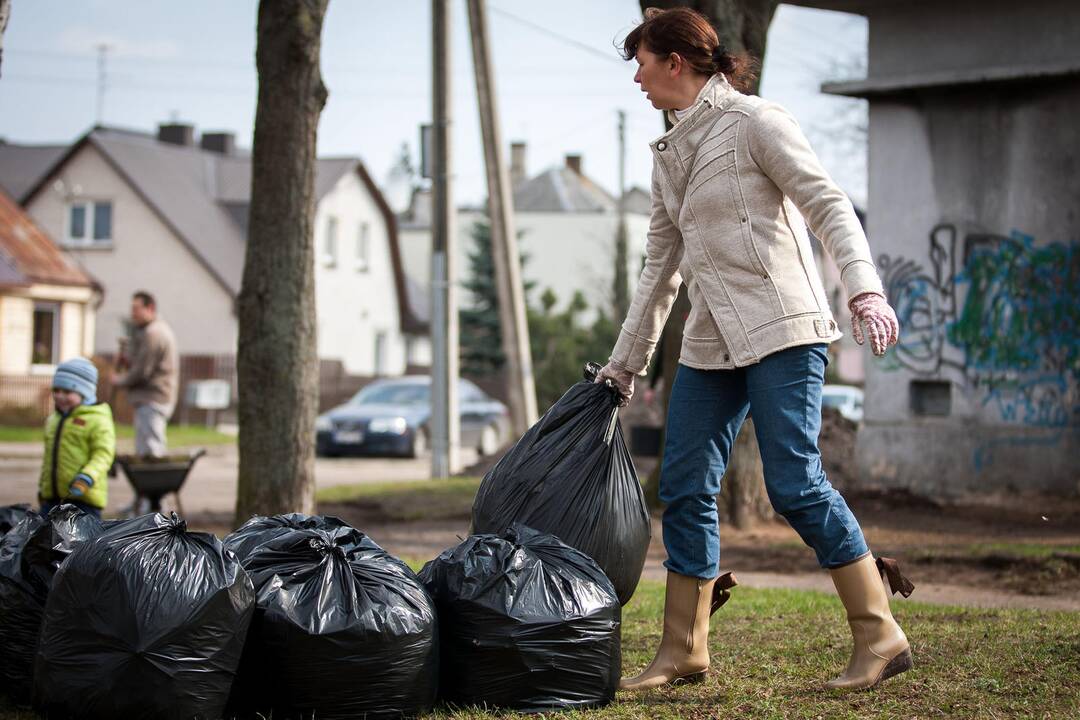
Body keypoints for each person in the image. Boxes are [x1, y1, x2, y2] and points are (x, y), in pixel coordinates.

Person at [596, 7, 910, 693]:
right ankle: (684, 649)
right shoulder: (671, 154)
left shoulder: (757, 124)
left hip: (784, 327)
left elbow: (828, 205)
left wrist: (864, 290)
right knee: (682, 487)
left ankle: (880, 634)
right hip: (713, 339)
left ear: (675, 61)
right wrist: (627, 363)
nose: (639, 80)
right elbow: (660, 269)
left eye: (643, 64)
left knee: (794, 485)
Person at [38, 358, 116, 519]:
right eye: (56, 390)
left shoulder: (97, 419)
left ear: (85, 393)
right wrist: (43, 488)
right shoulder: (54, 420)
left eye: (67, 392)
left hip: (84, 500)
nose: (60, 396)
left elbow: (103, 454)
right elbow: (49, 459)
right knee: (42, 541)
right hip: (53, 499)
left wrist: (87, 476)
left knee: (81, 543)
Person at [112, 291, 179, 457]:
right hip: (150, 398)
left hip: (153, 399)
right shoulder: (150, 331)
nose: (132, 313)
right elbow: (143, 364)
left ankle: (154, 481)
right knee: (145, 448)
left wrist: (119, 380)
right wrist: (126, 361)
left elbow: (142, 371)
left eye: (136, 308)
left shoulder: (154, 333)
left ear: (150, 308)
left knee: (151, 449)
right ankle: (150, 480)